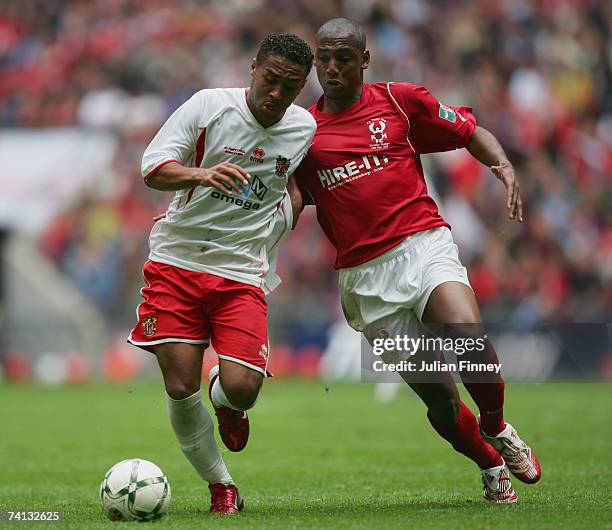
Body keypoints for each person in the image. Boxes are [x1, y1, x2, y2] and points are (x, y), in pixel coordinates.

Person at [293, 18, 540, 504]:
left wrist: (504, 166)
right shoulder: (301, 131)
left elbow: (470, 130)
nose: (332, 67)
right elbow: (294, 197)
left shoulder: (399, 102)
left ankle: (498, 428)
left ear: (364, 60)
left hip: (423, 245)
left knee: (468, 337)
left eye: (343, 57)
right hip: (366, 281)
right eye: (323, 57)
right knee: (443, 403)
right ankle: (489, 464)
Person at [127, 33, 316, 515]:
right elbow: (152, 167)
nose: (276, 94)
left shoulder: (303, 128)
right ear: (253, 68)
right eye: (270, 80)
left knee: (243, 389)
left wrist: (288, 216)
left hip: (239, 270)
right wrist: (201, 174)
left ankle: (227, 400)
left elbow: (292, 182)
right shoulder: (211, 105)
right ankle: (221, 486)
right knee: (178, 385)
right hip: (178, 261)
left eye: (289, 87)